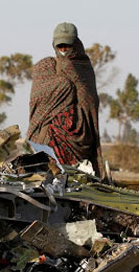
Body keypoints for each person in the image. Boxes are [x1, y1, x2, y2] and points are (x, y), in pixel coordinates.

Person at [27, 22, 104, 176]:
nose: (63, 50)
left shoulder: (83, 68)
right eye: (59, 46)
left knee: (79, 176)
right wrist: (63, 86)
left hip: (80, 135)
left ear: (75, 44)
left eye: (67, 46)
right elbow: (37, 100)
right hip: (52, 134)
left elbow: (89, 102)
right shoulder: (46, 67)